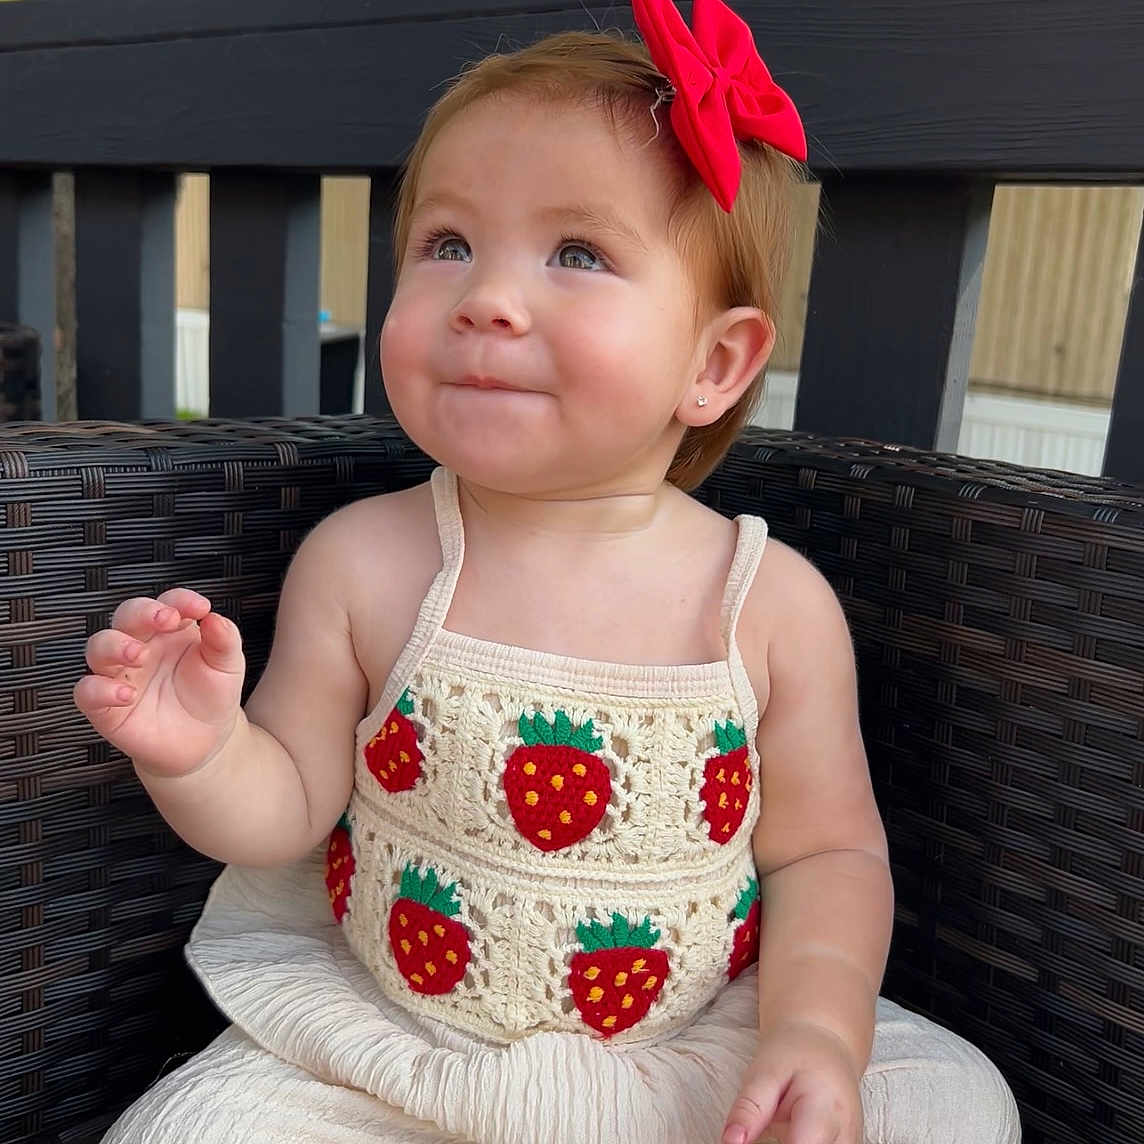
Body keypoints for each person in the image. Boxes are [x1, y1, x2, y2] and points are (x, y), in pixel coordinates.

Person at [74, 1, 1020, 1141]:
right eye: (446, 244)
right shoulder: (369, 559)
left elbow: (826, 849)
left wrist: (814, 1034)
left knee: (958, 1106)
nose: (484, 296)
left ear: (714, 362)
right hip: (399, 1050)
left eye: (576, 253)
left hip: (689, 1054)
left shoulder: (765, 603)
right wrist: (205, 751)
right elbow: (288, 811)